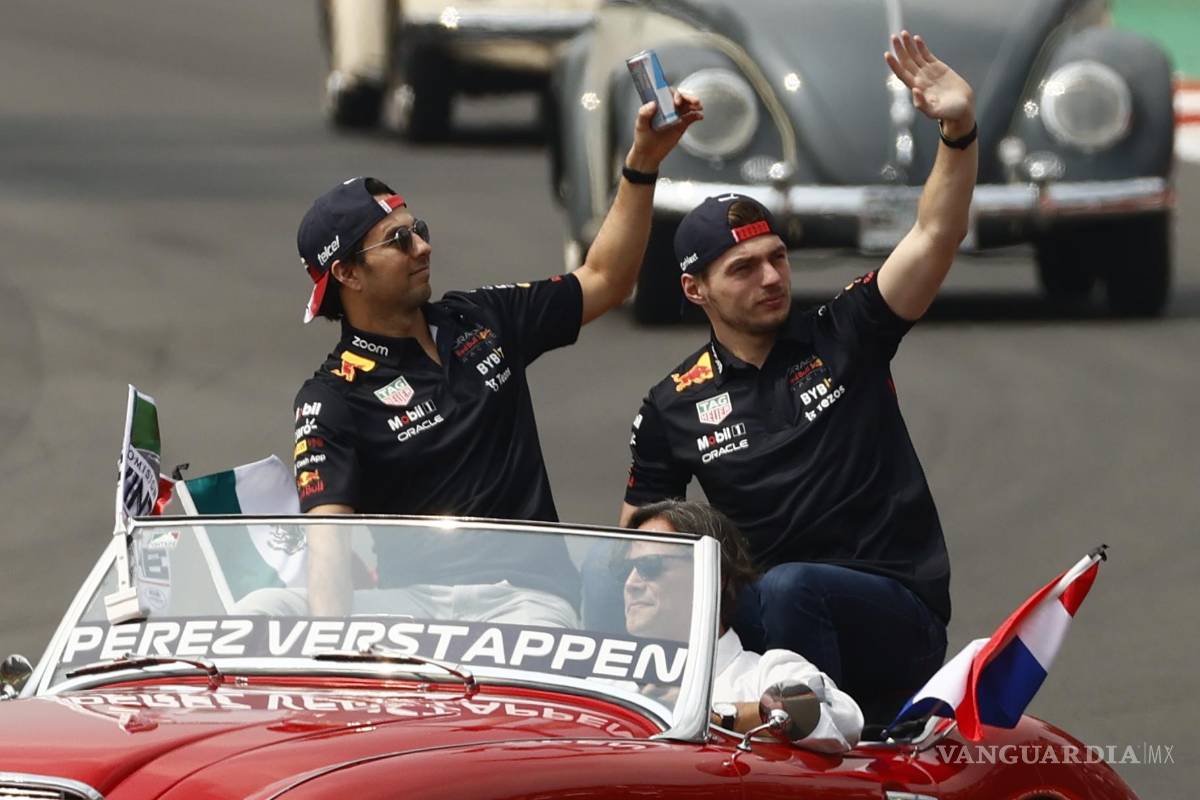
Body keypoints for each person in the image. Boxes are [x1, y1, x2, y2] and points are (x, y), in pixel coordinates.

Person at [619, 32, 978, 722]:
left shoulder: (847, 331)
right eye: (744, 269)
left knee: (786, 589)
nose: (772, 277)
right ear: (696, 292)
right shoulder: (672, 405)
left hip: (894, 608)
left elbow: (934, 234)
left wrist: (957, 130)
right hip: (766, 615)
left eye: (777, 258)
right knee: (740, 605)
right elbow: (643, 544)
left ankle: (827, 761)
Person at [291, 92, 703, 616]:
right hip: (413, 604)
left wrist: (643, 163)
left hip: (524, 597)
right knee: (267, 604)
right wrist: (336, 659)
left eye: (419, 230)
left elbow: (605, 279)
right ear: (346, 273)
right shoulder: (331, 396)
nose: (422, 248)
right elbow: (327, 541)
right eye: (398, 241)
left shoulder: (482, 317)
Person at [625, 500, 862, 752]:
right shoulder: (601, 681)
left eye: (649, 566)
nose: (630, 583)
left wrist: (715, 715)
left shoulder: (766, 673)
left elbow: (842, 719)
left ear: (712, 575)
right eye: (624, 570)